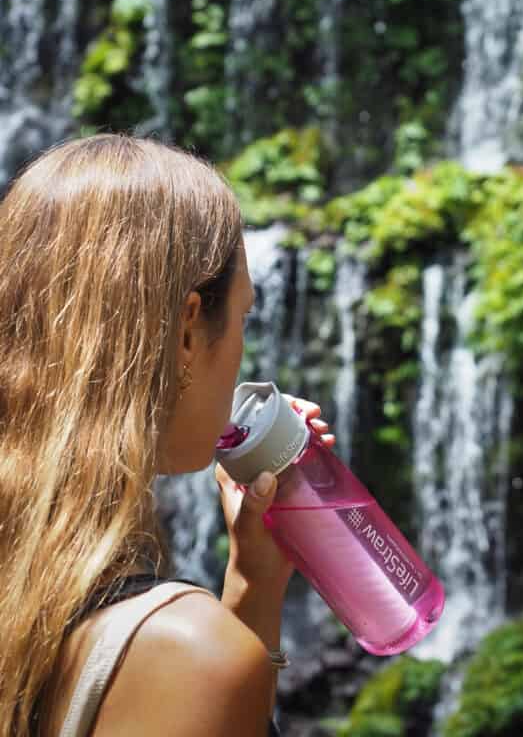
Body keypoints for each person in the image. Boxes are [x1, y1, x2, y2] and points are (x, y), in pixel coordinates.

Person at [0, 133, 334, 737]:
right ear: (186, 333)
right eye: (244, 316)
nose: (243, 353)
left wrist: (253, 582)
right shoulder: (185, 651)